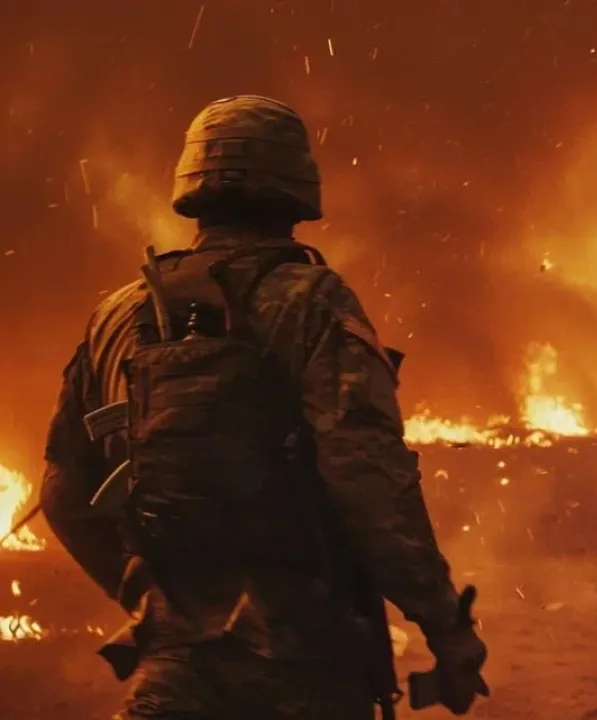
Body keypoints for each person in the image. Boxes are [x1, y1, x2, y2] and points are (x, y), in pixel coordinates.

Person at [39, 95, 487, 719]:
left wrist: (154, 599)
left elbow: (63, 493)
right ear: (296, 190)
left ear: (191, 187)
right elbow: (367, 481)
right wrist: (445, 625)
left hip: (170, 667)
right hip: (302, 663)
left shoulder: (119, 314)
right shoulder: (313, 302)